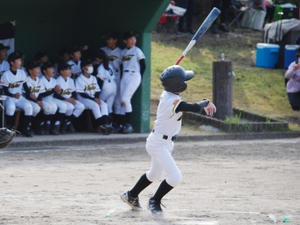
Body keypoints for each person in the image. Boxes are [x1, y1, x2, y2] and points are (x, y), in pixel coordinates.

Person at [120, 65, 216, 214]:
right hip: (158, 143)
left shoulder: (168, 94)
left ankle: (131, 195)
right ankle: (154, 200)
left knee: (155, 175)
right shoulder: (171, 100)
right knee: (176, 177)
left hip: (162, 142)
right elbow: (195, 108)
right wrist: (206, 102)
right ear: (179, 86)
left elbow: (186, 102)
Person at [75, 59, 114, 134]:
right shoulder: (79, 79)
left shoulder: (93, 78)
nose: (91, 67)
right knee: (95, 105)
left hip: (92, 98)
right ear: (83, 68)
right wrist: (94, 99)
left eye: (91, 65)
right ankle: (103, 125)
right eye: (88, 66)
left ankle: (105, 125)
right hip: (83, 99)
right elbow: (81, 93)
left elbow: (97, 90)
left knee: (104, 105)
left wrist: (96, 97)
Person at [0, 51, 33, 137]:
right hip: (9, 97)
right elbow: (6, 91)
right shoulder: (6, 75)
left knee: (29, 106)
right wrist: (13, 95)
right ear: (12, 62)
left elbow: (25, 86)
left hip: (19, 97)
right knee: (11, 108)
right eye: (18, 60)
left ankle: (24, 129)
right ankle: (9, 130)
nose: (20, 61)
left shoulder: (22, 72)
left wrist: (30, 93)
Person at [119, 30, 146, 134]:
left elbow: (143, 65)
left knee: (125, 99)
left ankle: (128, 125)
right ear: (125, 41)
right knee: (122, 101)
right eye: (130, 39)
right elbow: (121, 66)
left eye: (134, 38)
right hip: (125, 75)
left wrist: (139, 76)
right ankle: (122, 124)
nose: (133, 40)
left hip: (135, 74)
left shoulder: (137, 50)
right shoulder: (123, 52)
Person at [54, 62, 85, 134]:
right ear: (61, 71)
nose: (70, 71)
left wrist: (73, 99)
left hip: (69, 99)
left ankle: (67, 122)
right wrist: (67, 99)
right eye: (67, 69)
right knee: (70, 108)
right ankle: (62, 125)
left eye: (70, 69)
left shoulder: (70, 80)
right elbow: (56, 95)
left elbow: (73, 92)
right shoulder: (57, 80)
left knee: (81, 106)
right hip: (61, 100)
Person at [101, 31, 123, 132]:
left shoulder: (121, 52)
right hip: (107, 79)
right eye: (107, 39)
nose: (108, 41)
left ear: (115, 40)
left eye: (110, 39)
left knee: (117, 102)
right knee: (108, 103)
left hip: (117, 77)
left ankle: (118, 124)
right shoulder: (103, 50)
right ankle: (109, 123)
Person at [24, 61, 51, 135]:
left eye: (38, 68)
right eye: (36, 68)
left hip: (36, 100)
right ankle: (29, 124)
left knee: (48, 108)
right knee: (36, 108)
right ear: (30, 70)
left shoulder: (39, 80)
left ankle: (39, 123)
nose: (38, 70)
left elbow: (40, 93)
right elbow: (26, 95)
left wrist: (39, 100)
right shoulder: (26, 80)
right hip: (27, 100)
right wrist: (36, 101)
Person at [40, 62, 65, 135]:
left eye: (52, 68)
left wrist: (58, 92)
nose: (52, 69)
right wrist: (53, 90)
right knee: (53, 107)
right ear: (44, 71)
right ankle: (45, 124)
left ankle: (55, 125)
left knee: (63, 106)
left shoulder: (54, 80)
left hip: (51, 99)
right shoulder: (41, 80)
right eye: (50, 68)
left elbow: (55, 95)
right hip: (43, 99)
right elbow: (42, 94)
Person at [94, 49, 117, 124]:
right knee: (109, 107)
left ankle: (103, 124)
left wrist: (97, 94)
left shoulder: (100, 67)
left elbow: (100, 81)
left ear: (98, 58)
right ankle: (110, 125)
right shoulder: (109, 64)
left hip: (106, 86)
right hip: (114, 85)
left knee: (100, 104)